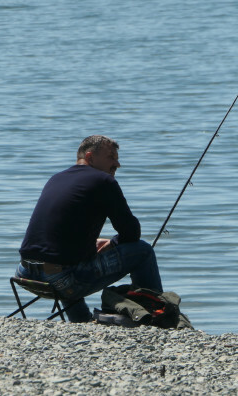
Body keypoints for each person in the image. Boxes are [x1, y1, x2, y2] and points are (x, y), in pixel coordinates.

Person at [16, 135, 163, 322]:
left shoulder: (57, 178)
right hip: (60, 280)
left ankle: (81, 320)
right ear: (90, 157)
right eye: (111, 157)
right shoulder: (103, 181)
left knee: (69, 262)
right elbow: (132, 232)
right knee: (142, 251)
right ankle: (156, 315)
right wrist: (113, 243)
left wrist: (94, 245)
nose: (117, 164)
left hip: (25, 272)